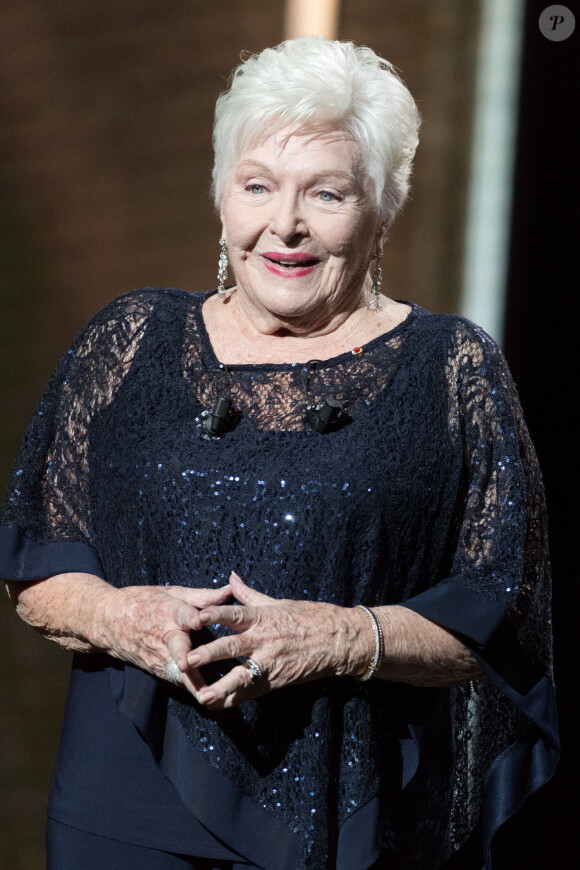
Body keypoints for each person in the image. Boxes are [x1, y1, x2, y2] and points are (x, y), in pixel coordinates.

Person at [0, 37, 558, 870]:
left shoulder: (452, 367)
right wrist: (126, 618)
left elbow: (497, 616)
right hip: (120, 803)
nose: (284, 224)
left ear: (384, 207)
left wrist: (336, 636)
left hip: (343, 810)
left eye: (326, 194)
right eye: (257, 186)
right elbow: (39, 563)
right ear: (221, 196)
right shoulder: (129, 339)